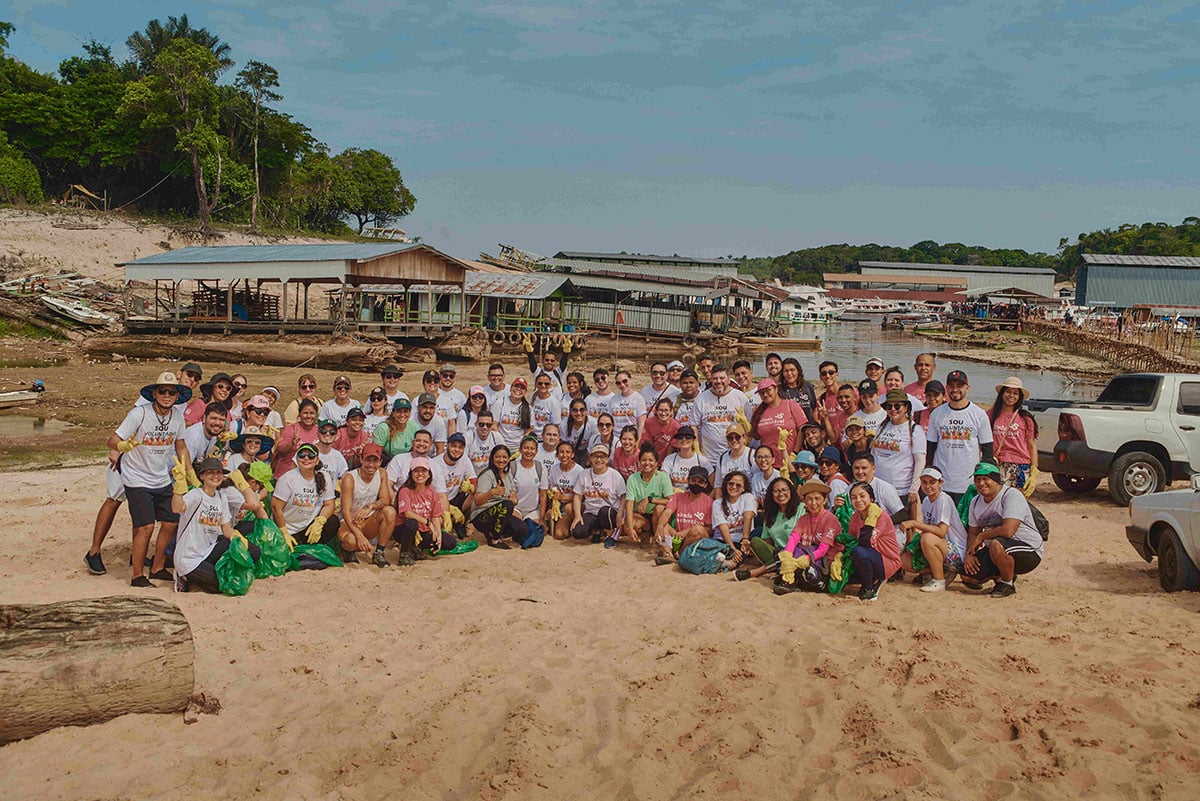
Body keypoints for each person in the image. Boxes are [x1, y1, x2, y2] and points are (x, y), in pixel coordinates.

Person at [108, 371, 191, 587]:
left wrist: (189, 474)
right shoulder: (139, 414)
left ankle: (157, 567)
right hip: (136, 477)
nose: (166, 395)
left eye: (171, 392)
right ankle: (137, 576)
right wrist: (122, 446)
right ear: (154, 393)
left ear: (177, 395)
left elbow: (180, 446)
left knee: (171, 521)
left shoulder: (177, 417)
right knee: (145, 527)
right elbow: (113, 439)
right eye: (162, 391)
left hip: (161, 477)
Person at [171, 457, 263, 593]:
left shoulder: (221, 497)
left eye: (219, 473)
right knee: (222, 584)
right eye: (211, 473)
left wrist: (237, 538)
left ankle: (202, 574)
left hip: (208, 549)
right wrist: (179, 486)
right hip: (188, 557)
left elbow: (226, 528)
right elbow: (177, 508)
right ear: (202, 476)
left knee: (254, 552)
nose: (216, 476)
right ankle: (184, 576)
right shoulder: (196, 495)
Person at [963, 462, 1044, 597]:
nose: (981, 483)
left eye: (985, 479)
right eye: (977, 480)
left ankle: (1006, 584)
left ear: (996, 480)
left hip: (1029, 548)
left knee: (996, 544)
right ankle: (1004, 572)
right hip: (998, 549)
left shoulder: (1011, 495)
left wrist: (983, 536)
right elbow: (973, 532)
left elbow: (1008, 531)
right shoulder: (975, 501)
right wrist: (969, 555)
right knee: (968, 575)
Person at [925, 370, 995, 502]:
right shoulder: (937, 414)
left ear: (967, 388)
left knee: (966, 521)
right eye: (951, 386)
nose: (955, 390)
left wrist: (984, 479)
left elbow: (987, 451)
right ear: (946, 388)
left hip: (968, 483)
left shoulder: (979, 414)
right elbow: (930, 448)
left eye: (960, 386)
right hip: (942, 482)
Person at [899, 466, 967, 592]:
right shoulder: (926, 501)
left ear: (940, 483)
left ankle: (939, 580)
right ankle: (942, 571)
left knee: (928, 538)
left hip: (956, 551)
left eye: (932, 482)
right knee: (904, 560)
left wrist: (914, 523)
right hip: (940, 547)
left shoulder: (944, 499)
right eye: (924, 482)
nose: (928, 486)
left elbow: (941, 531)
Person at [768, 479, 842, 592]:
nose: (813, 503)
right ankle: (789, 580)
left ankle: (793, 580)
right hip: (805, 555)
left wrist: (806, 559)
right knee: (781, 553)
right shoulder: (804, 519)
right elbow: (794, 537)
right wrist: (787, 555)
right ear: (805, 501)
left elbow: (823, 549)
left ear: (824, 500)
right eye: (809, 499)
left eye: (817, 498)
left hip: (823, 561)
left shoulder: (830, 519)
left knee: (808, 571)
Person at [337, 443, 397, 567]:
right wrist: (359, 536)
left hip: (368, 518)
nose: (371, 465)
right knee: (352, 541)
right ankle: (348, 551)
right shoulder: (350, 478)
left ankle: (379, 551)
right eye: (367, 460)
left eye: (375, 460)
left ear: (380, 461)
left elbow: (385, 500)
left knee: (390, 511)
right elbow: (346, 511)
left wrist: (370, 506)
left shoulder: (381, 474)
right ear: (361, 459)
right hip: (350, 521)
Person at [872, 388, 926, 521]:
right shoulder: (882, 427)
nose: (893, 409)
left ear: (906, 407)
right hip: (878, 486)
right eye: (889, 406)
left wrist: (914, 489)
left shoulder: (915, 430)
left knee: (897, 526)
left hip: (900, 489)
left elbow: (920, 461)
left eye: (897, 406)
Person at [271, 442, 337, 548]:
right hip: (288, 528)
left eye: (311, 456)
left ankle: (313, 547)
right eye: (302, 455)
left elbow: (329, 504)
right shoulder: (287, 479)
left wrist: (320, 521)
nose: (306, 458)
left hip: (308, 526)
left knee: (332, 521)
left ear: (317, 461)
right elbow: (276, 507)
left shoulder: (324, 477)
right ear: (297, 459)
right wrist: (284, 531)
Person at [846, 481, 901, 602]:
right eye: (854, 498)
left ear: (871, 498)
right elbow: (850, 539)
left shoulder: (881, 516)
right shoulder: (855, 517)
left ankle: (869, 588)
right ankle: (870, 578)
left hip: (887, 559)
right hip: (870, 556)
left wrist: (871, 518)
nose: (858, 500)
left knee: (858, 551)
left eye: (862, 496)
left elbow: (866, 540)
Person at [394, 456, 450, 564]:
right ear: (411, 473)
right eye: (416, 471)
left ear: (429, 474)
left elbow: (435, 515)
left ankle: (416, 548)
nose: (420, 474)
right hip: (405, 529)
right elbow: (407, 513)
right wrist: (428, 523)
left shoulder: (431, 491)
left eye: (423, 471)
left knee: (449, 542)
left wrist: (438, 535)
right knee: (411, 524)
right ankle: (404, 553)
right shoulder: (405, 491)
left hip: (423, 530)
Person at [654, 466, 714, 563]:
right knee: (662, 522)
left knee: (699, 529)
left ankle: (680, 555)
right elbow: (667, 512)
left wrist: (687, 532)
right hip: (676, 536)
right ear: (688, 480)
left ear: (705, 484)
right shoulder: (678, 497)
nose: (696, 484)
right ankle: (668, 554)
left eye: (700, 482)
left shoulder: (709, 502)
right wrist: (660, 526)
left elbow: (709, 529)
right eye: (693, 480)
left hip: (693, 538)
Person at [989, 377, 1038, 492]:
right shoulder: (990, 415)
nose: (1011, 395)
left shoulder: (1025, 419)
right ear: (1002, 393)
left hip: (1021, 465)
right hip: (997, 463)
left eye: (1015, 393)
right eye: (1008, 392)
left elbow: (1031, 445)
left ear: (1019, 397)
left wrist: (1034, 470)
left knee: (1017, 503)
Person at [471, 444, 525, 549]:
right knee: (507, 505)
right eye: (498, 457)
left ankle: (492, 532)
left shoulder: (508, 474)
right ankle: (494, 538)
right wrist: (491, 492)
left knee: (522, 529)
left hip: (500, 513)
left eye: (504, 457)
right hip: (482, 515)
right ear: (492, 458)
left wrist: (514, 499)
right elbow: (477, 500)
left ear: (509, 459)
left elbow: (513, 494)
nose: (501, 460)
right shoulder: (487, 475)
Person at [571, 444, 626, 545]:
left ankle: (610, 534)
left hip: (609, 511)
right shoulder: (584, 474)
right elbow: (578, 496)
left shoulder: (614, 475)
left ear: (607, 459)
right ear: (590, 458)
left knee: (604, 512)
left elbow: (623, 496)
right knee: (578, 532)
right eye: (596, 456)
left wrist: (620, 513)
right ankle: (597, 530)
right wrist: (578, 515)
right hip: (591, 511)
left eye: (602, 457)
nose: (599, 460)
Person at [692, 365, 750, 460]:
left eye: (722, 378)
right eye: (715, 378)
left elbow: (749, 423)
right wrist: (697, 449)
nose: (718, 381)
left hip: (736, 455)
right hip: (709, 458)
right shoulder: (701, 398)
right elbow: (694, 425)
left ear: (729, 380)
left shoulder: (740, 397)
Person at [749, 378, 808, 468]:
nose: (765, 394)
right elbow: (756, 436)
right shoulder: (758, 411)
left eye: (768, 390)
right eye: (761, 393)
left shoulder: (791, 405)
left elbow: (802, 429)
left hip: (790, 461)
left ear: (776, 389)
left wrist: (795, 452)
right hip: (768, 464)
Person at [621, 445, 673, 546]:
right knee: (629, 523)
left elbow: (670, 501)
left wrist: (650, 499)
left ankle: (657, 539)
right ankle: (645, 535)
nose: (647, 463)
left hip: (657, 515)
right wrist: (630, 527)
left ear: (656, 463)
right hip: (641, 515)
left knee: (659, 508)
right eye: (644, 460)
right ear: (639, 462)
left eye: (651, 460)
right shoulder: (633, 479)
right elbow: (629, 503)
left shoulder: (663, 477)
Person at [432, 432, 475, 536]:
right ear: (447, 446)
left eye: (460, 447)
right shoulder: (435, 463)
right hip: (438, 500)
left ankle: (462, 522)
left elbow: (474, 481)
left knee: (474, 494)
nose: (457, 450)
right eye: (454, 446)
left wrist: (471, 487)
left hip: (455, 496)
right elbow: (429, 493)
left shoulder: (465, 460)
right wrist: (448, 508)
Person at [850, 454, 906, 527]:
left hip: (886, 534)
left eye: (864, 468)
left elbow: (902, 514)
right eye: (856, 468)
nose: (860, 472)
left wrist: (877, 523)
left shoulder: (885, 488)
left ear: (873, 469)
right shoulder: (850, 488)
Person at [546, 441, 584, 540]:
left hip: (574, 506)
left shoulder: (579, 471)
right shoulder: (554, 469)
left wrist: (564, 497)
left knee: (568, 508)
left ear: (572, 454)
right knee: (559, 535)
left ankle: (573, 522)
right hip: (558, 505)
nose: (564, 455)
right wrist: (550, 507)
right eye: (561, 452)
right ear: (557, 454)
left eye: (568, 452)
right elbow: (551, 491)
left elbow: (582, 496)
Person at [712, 471, 756, 557]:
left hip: (742, 539)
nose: (734, 487)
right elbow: (723, 527)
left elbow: (748, 516)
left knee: (758, 533)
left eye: (738, 485)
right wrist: (733, 549)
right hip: (723, 540)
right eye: (731, 484)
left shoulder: (748, 497)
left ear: (743, 488)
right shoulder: (717, 503)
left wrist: (745, 539)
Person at [274, 398, 320, 477]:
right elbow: (280, 451)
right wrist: (291, 443)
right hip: (286, 474)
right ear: (299, 414)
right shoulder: (292, 429)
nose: (309, 416)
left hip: (309, 475)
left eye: (312, 413)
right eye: (305, 413)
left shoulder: (319, 430)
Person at [661, 426, 709, 491]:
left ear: (693, 440)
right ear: (677, 440)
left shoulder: (702, 460)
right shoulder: (669, 459)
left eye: (688, 437)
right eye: (680, 438)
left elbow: (714, 484)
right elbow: (663, 480)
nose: (684, 439)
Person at [712, 423, 753, 491]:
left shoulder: (752, 455)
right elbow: (718, 487)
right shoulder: (722, 458)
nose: (734, 440)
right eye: (730, 438)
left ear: (744, 438)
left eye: (737, 437)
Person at [373, 398, 416, 463]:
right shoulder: (384, 428)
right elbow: (376, 452)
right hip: (386, 462)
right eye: (399, 411)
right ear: (393, 413)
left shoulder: (414, 427)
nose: (402, 415)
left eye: (405, 411)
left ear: (410, 413)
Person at [610, 371, 648, 437]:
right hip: (616, 437)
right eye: (618, 383)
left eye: (625, 381)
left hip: (631, 438)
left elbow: (642, 423)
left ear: (630, 380)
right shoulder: (614, 399)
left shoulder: (638, 398)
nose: (622, 385)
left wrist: (637, 440)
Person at [315, 419, 350, 484]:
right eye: (324, 431)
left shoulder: (338, 456)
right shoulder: (308, 451)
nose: (328, 434)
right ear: (318, 433)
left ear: (336, 436)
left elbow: (345, 478)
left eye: (332, 432)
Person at [436, 364, 467, 435]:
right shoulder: (435, 393)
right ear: (440, 376)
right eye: (445, 376)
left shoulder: (460, 396)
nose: (448, 378)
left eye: (451, 376)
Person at [530, 373, 561, 440]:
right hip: (531, 435)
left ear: (550, 385)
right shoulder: (532, 396)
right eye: (540, 383)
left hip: (544, 438)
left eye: (546, 384)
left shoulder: (554, 403)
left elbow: (555, 426)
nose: (543, 386)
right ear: (536, 384)